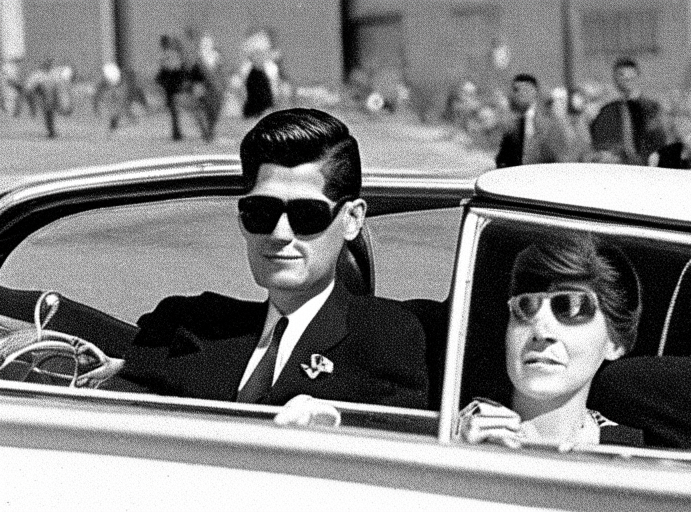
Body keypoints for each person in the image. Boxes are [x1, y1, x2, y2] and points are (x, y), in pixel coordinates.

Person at [78, 108, 429, 410]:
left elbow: (395, 445)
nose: (279, 234)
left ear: (351, 219)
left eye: (307, 214)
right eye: (261, 212)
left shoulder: (388, 334)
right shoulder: (185, 323)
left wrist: (329, 424)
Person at [459, 233, 643, 447]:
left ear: (615, 342)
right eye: (524, 307)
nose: (541, 331)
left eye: (572, 307)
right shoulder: (446, 430)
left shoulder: (635, 457)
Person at [590, 58, 667, 165]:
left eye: (631, 75)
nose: (627, 78)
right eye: (621, 75)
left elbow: (659, 140)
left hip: (644, 168)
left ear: (637, 77)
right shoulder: (608, 110)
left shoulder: (651, 108)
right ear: (615, 79)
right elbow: (602, 140)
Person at [495, 74, 540, 168]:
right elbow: (503, 156)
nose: (519, 93)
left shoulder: (547, 120)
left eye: (525, 89)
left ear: (534, 91)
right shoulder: (513, 122)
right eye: (515, 90)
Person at [186, 34, 225, 142]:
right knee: (202, 111)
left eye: (208, 44)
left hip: (215, 89)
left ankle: (210, 131)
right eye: (204, 44)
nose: (206, 46)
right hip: (201, 87)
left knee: (214, 111)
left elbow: (220, 73)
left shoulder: (217, 57)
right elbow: (193, 74)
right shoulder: (198, 58)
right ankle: (206, 132)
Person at [156, 35, 186, 141]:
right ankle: (176, 132)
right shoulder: (171, 54)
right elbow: (177, 68)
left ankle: (176, 133)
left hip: (171, 84)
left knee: (174, 109)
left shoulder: (167, 55)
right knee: (174, 110)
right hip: (172, 84)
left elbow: (170, 69)